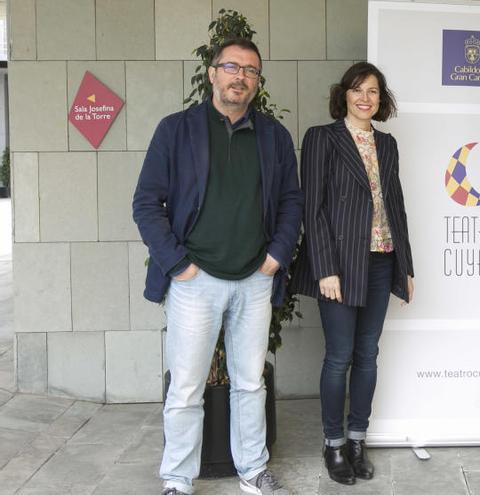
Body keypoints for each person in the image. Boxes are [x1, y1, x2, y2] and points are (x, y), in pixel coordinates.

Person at [132, 38, 303, 495]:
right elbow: (147, 203)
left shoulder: (274, 136)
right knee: (186, 388)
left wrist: (275, 258)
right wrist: (178, 265)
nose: (240, 76)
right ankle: (178, 479)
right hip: (195, 282)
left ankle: (252, 470)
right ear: (212, 73)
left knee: (250, 384)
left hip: (254, 279)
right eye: (232, 66)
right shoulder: (177, 130)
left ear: (257, 82)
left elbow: (292, 203)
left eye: (250, 70)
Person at [291, 62, 414, 486]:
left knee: (367, 354)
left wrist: (406, 266)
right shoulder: (322, 139)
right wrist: (324, 268)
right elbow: (314, 209)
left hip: (381, 260)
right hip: (339, 266)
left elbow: (394, 206)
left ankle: (357, 438)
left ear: (382, 100)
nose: (366, 98)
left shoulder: (389, 144)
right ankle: (333, 443)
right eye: (358, 90)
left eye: (374, 92)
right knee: (339, 356)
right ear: (344, 94)